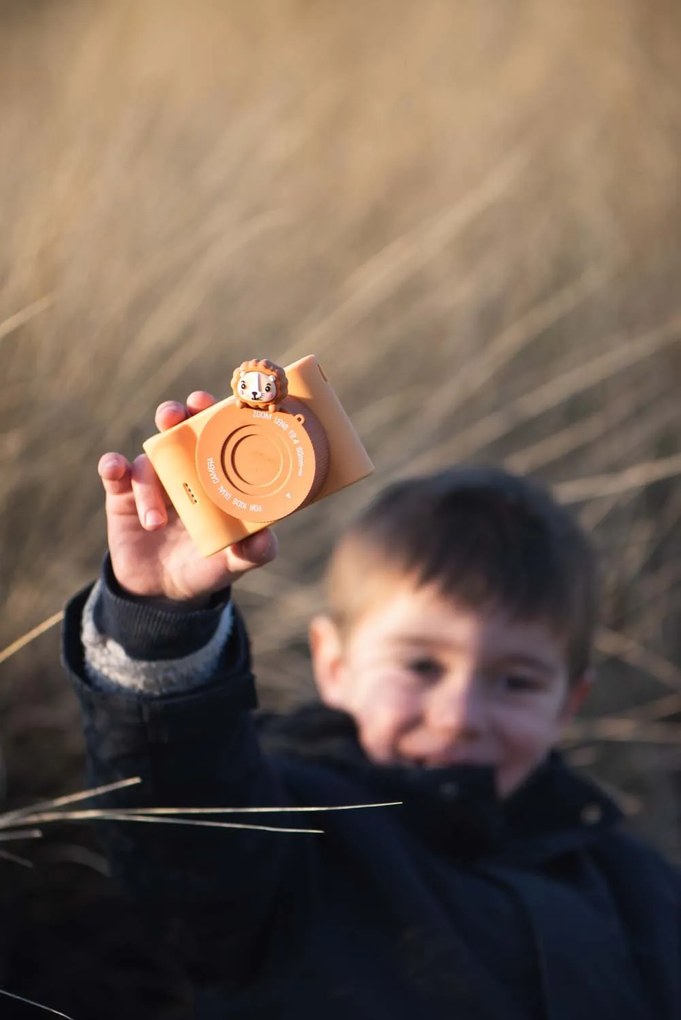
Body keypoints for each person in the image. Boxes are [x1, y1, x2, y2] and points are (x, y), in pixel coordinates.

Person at [62, 391, 681, 1020]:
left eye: (516, 682)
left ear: (568, 703)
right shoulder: (281, 830)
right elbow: (177, 821)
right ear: (334, 664)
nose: (459, 716)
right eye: (421, 666)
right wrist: (159, 620)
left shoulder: (637, 890)